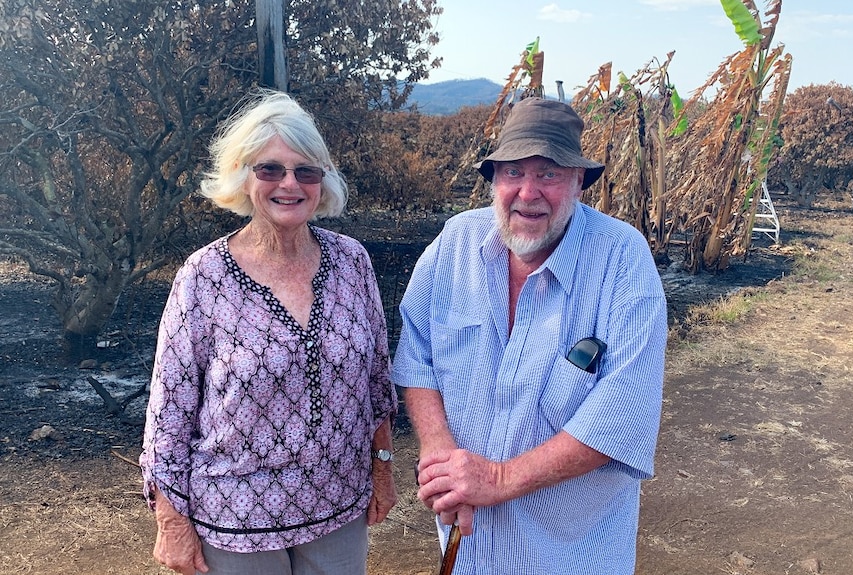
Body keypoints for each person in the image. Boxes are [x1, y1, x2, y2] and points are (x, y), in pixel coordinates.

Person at [391, 97, 666, 575]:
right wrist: (437, 447)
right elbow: (417, 354)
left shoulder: (622, 259)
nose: (528, 192)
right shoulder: (456, 244)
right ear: (494, 179)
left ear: (579, 181)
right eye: (514, 172)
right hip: (469, 547)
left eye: (549, 174)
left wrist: (498, 478)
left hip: (572, 555)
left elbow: (623, 417)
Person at [140, 89, 397, 575]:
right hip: (235, 520)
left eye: (306, 171)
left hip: (338, 507)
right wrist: (171, 521)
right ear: (242, 176)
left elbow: (376, 384)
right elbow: (169, 411)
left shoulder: (351, 262)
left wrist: (382, 468)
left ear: (323, 181)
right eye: (270, 169)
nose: (290, 184)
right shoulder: (202, 277)